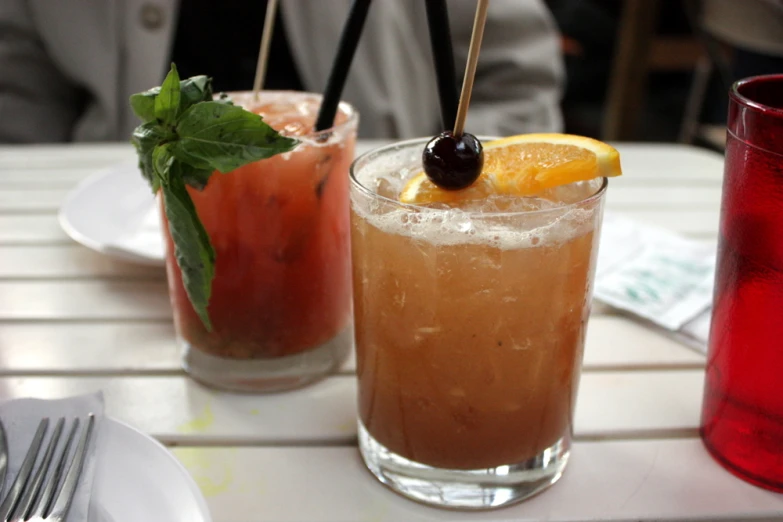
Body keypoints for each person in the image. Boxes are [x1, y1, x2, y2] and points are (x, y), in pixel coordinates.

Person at [0, 0, 564, 143]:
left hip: (386, 241)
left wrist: (451, 187)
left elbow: (516, 77)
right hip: (109, 276)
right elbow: (18, 88)